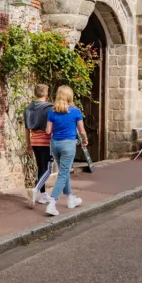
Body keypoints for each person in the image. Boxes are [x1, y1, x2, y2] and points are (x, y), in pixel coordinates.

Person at [44, 85, 88, 217]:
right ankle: (52, 204)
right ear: (70, 96)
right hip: (68, 144)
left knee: (64, 171)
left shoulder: (52, 111)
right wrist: (85, 140)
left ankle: (70, 199)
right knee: (63, 173)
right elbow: (82, 131)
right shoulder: (75, 111)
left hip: (55, 144)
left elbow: (48, 131)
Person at [24, 84, 54, 208]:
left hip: (35, 141)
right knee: (47, 169)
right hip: (46, 141)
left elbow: (26, 128)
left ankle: (43, 194)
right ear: (46, 94)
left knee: (40, 167)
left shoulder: (28, 108)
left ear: (35, 93)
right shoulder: (49, 108)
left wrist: (28, 143)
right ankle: (36, 190)